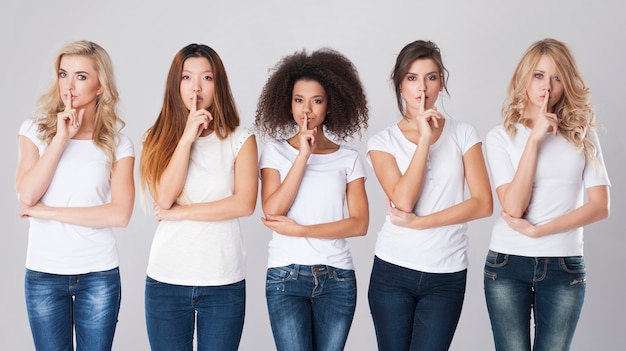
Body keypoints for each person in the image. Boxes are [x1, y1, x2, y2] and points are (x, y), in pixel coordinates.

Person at [483, 38, 611, 351]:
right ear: (524, 77)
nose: (547, 86)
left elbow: (600, 206)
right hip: (507, 264)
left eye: (557, 77)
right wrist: (534, 140)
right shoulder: (501, 136)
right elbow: (513, 207)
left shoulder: (583, 134)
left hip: (564, 264)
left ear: (567, 83)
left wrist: (540, 231)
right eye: (539, 75)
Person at [366, 40, 493, 351]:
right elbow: (404, 201)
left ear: (441, 82)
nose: (422, 87)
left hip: (446, 274)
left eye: (431, 77)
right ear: (399, 84)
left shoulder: (463, 133)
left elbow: (483, 203)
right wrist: (424, 138)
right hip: (392, 271)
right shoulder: (382, 142)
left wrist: (421, 223)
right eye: (412, 78)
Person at [16, 40, 135, 351]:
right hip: (44, 273)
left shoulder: (118, 144)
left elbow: (120, 214)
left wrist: (50, 212)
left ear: (100, 86)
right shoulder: (34, 132)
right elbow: (27, 194)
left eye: (81, 76)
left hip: (98, 274)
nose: (68, 85)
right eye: (63, 73)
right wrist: (60, 139)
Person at [139, 43, 257, 351]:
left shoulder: (240, 140)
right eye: (186, 78)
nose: (196, 87)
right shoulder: (156, 138)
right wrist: (187, 137)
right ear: (175, 85)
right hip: (166, 279)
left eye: (206, 78)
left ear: (218, 85)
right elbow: (164, 198)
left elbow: (244, 203)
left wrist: (182, 213)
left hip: (223, 280)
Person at [254, 48, 369, 351]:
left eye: (316, 100)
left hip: (337, 278)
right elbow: (272, 209)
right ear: (287, 103)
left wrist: (303, 230)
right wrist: (303, 155)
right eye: (298, 100)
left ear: (330, 104)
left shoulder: (348, 158)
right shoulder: (275, 152)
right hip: (285, 277)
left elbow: (360, 223)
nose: (307, 110)